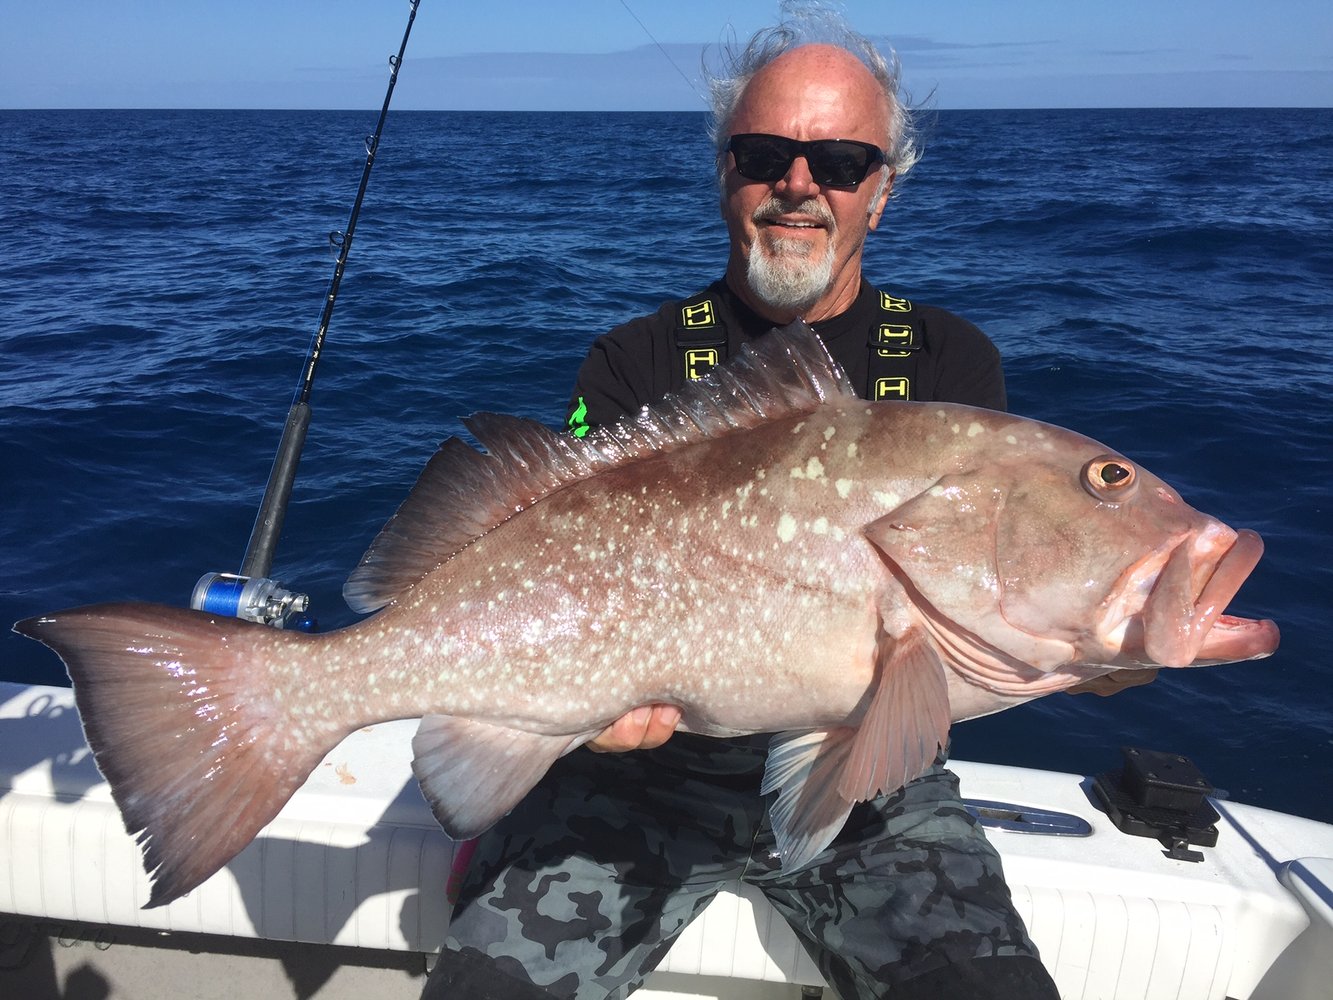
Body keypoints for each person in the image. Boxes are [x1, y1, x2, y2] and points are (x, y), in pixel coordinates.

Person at [424, 10, 1111, 1000]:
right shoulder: (637, 359)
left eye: (838, 159)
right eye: (763, 155)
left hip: (878, 793)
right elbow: (553, 571)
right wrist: (579, 719)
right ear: (723, 176)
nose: (799, 184)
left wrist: (1099, 643)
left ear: (881, 192)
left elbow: (988, 619)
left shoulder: (950, 367)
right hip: (636, 788)